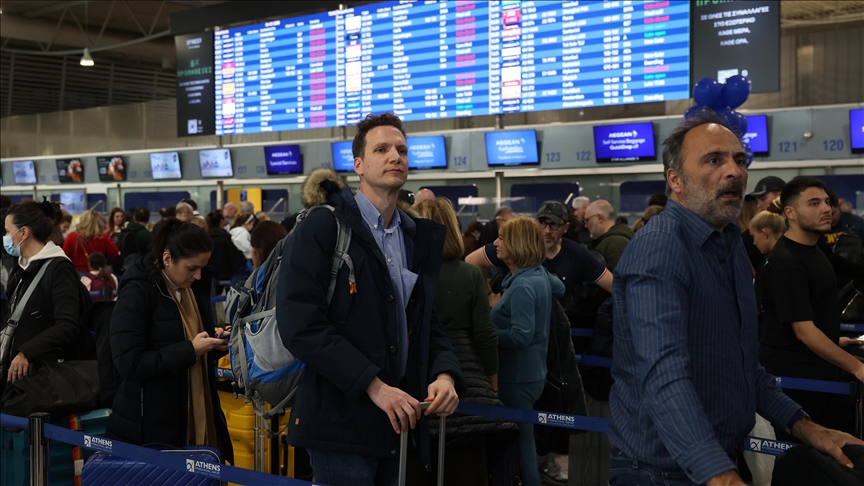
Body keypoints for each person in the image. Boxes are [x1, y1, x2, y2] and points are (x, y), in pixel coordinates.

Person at [609, 114, 861, 486]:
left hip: (715, 458)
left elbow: (744, 367)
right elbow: (663, 376)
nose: (735, 172)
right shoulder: (661, 248)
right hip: (661, 471)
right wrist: (723, 477)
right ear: (674, 180)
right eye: (714, 160)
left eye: (739, 160)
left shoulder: (731, 248)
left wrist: (806, 427)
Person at [276, 113, 463, 486]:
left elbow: (425, 321)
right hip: (341, 422)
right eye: (382, 149)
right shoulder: (323, 226)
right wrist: (375, 388)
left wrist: (444, 374)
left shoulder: (414, 236)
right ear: (358, 165)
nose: (395, 156)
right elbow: (301, 326)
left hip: (400, 421)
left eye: (401, 149)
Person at [106, 220, 233, 463]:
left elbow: (192, 342)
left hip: (189, 417)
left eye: (202, 268)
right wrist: (190, 350)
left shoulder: (190, 289)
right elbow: (128, 362)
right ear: (167, 258)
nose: (197, 276)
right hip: (150, 426)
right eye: (191, 268)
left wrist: (213, 345)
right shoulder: (138, 292)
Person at [410, 197, 513, 486]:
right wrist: (491, 382)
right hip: (468, 382)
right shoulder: (468, 273)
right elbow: (484, 334)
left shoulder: (407, 274)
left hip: (417, 381)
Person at [757, 177, 863, 441]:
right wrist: (857, 367)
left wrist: (834, 340)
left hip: (816, 370)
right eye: (814, 203)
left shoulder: (813, 250)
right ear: (790, 212)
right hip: (797, 383)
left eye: (826, 202)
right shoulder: (788, 264)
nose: (826, 208)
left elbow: (802, 320)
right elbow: (803, 332)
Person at [490, 215, 565, 486]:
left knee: (523, 449)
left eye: (501, 238)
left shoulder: (522, 284)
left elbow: (521, 336)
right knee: (524, 443)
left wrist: (486, 336)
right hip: (533, 373)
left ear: (517, 244)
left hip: (517, 376)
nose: (496, 243)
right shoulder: (535, 275)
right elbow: (560, 286)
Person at [3, 199, 92, 385]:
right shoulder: (21, 269)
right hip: (21, 375)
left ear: (24, 232)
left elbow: (67, 324)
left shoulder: (58, 269)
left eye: (8, 231)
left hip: (47, 376)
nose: (6, 237)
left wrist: (27, 352)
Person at [466, 200, 612, 304]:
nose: (547, 231)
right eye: (542, 223)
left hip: (554, 329)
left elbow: (613, 284)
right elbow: (472, 260)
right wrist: (490, 296)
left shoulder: (576, 253)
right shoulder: (516, 245)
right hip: (515, 324)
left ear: (566, 227)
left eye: (554, 224)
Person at [583, 200, 634, 271]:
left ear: (600, 218)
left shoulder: (615, 244)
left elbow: (615, 279)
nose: (585, 225)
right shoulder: (616, 240)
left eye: (587, 220)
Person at [204, 210, 246, 282]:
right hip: (226, 275)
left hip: (207, 276)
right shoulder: (224, 239)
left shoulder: (206, 237)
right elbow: (238, 259)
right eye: (226, 217)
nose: (228, 219)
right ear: (221, 220)